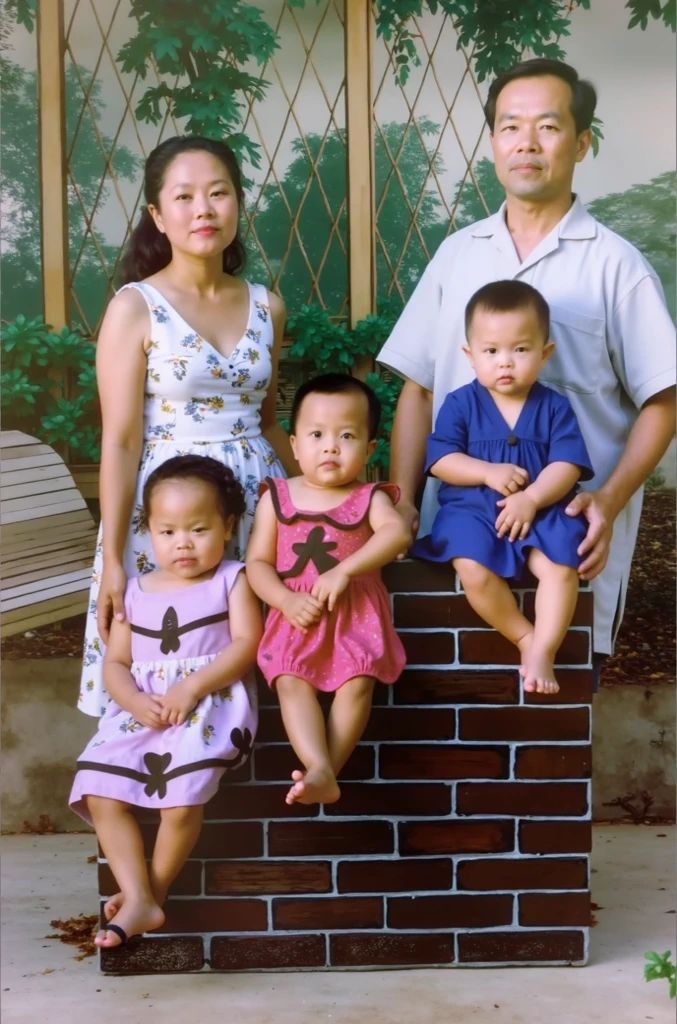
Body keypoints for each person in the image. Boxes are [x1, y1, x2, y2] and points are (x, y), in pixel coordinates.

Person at [377, 58, 675, 679]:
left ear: (582, 141)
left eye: (548, 126)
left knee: (555, 723)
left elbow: (663, 399)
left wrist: (609, 499)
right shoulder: (456, 256)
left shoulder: (616, 267)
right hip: (457, 531)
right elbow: (418, 386)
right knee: (449, 708)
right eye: (511, 127)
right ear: (492, 143)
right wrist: (403, 502)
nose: (527, 143)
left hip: (568, 533)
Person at [78, 135, 293, 718]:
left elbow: (271, 423)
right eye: (184, 196)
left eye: (219, 193)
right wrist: (117, 555)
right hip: (169, 515)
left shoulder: (266, 305)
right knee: (165, 660)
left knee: (264, 658)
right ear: (157, 215)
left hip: (257, 509)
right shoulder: (134, 307)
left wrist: (312, 512)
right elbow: (120, 441)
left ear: (238, 204)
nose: (204, 209)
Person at [70, 455, 262, 949]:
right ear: (148, 531)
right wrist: (132, 700)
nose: (183, 543)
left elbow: (246, 643)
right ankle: (139, 895)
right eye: (167, 530)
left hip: (208, 707)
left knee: (181, 801)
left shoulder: (232, 579)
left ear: (228, 526)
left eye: (198, 529)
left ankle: (148, 894)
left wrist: (192, 686)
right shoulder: (134, 592)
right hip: (143, 711)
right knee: (98, 789)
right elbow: (114, 664)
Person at [411, 280, 593, 693]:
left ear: (545, 354)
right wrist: (487, 472)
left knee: (561, 568)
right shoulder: (460, 403)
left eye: (520, 350)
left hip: (542, 509)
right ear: (470, 356)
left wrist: (532, 497)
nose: (505, 362)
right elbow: (440, 460)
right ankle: (523, 635)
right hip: (473, 509)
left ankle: (545, 647)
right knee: (471, 567)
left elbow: (567, 465)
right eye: (491, 351)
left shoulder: (554, 407)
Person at [246, 374, 410, 806]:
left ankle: (325, 770)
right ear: (295, 444)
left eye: (347, 435)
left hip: (354, 613)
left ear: (371, 449)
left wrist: (345, 571)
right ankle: (318, 766)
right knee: (290, 681)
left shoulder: (371, 497)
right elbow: (257, 564)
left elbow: (395, 535)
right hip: (297, 614)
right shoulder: (276, 498)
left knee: (358, 681)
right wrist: (284, 598)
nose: (330, 446)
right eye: (316, 434)